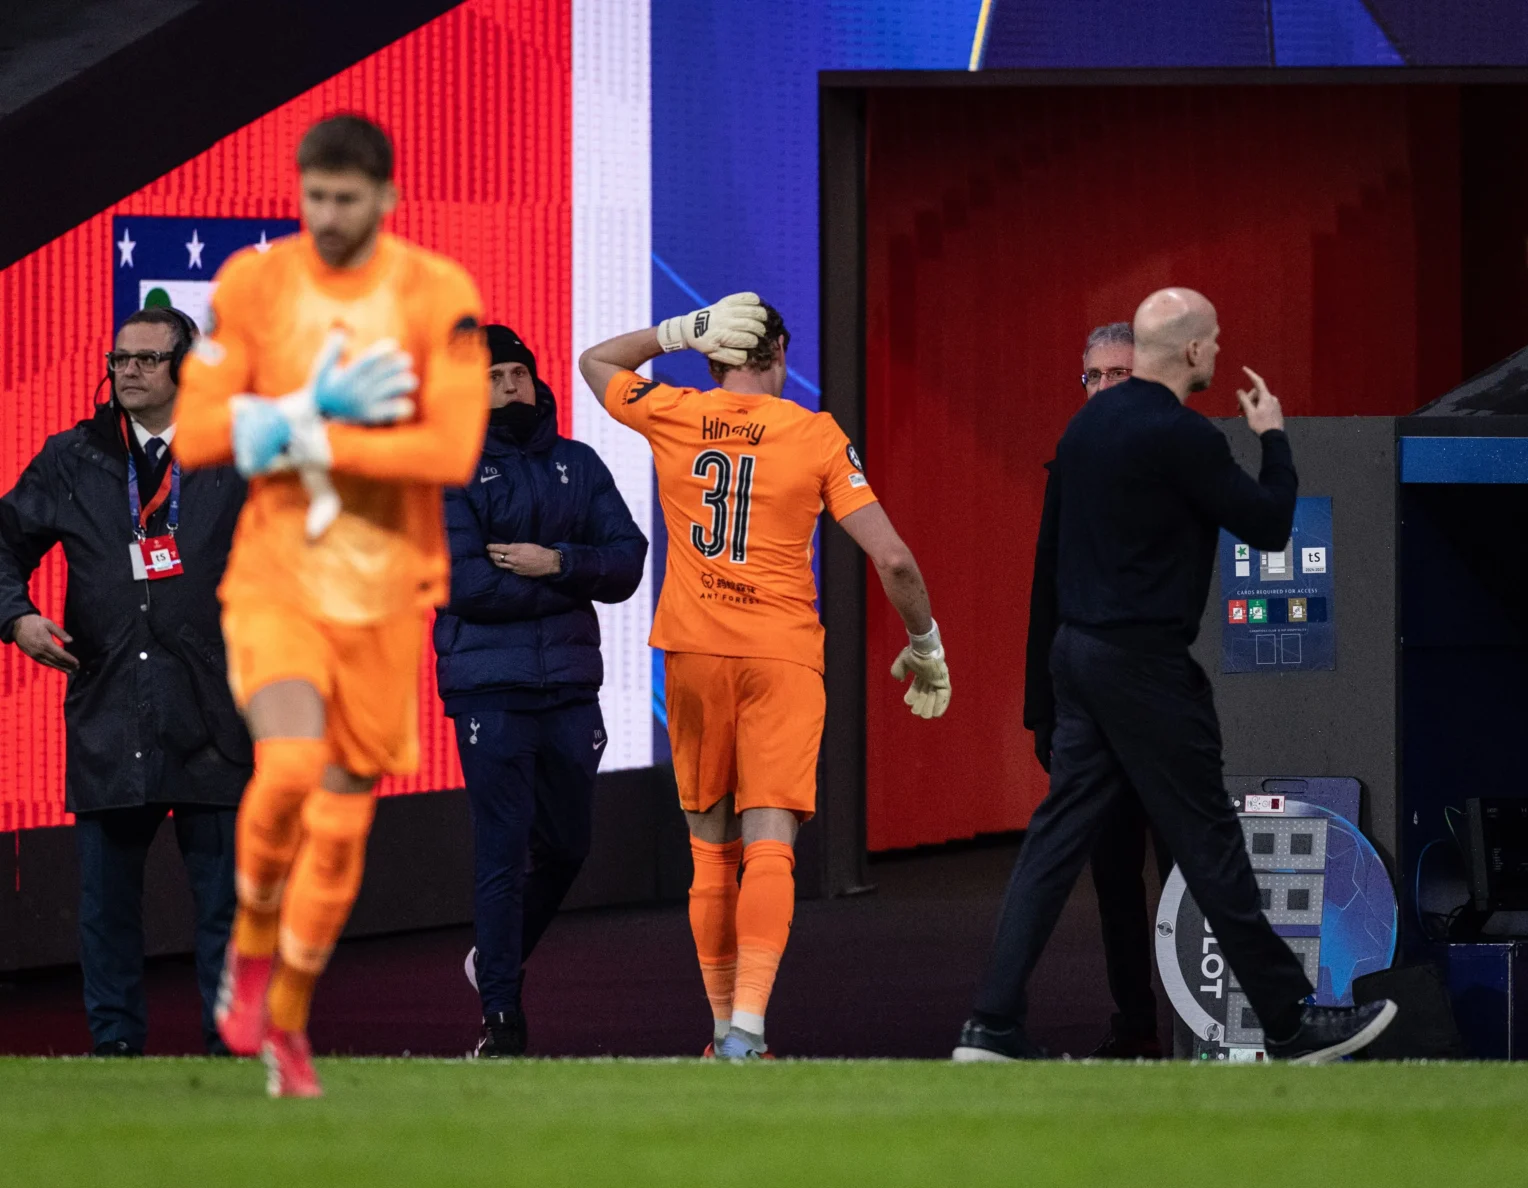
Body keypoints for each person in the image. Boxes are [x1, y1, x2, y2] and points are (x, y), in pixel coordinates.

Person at [954, 287, 1396, 1064]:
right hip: (1146, 667)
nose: (1220, 352)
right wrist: (1274, 439)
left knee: (1054, 846)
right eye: (1215, 340)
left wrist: (1041, 701)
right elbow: (1266, 524)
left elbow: (1049, 571)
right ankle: (1291, 1021)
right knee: (1210, 842)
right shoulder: (1183, 438)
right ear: (1191, 351)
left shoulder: (1084, 429)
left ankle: (990, 1024)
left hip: (1079, 660)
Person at [173, 113, 489, 1096]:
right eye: (315, 197)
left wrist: (311, 438)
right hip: (277, 577)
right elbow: (191, 431)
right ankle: (251, 947)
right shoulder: (255, 285)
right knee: (290, 763)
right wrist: (312, 408)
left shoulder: (436, 293)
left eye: (348, 200)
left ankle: (291, 1028)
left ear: (387, 199)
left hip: (389, 592)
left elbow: (450, 452)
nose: (329, 216)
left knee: (345, 826)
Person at [579, 293, 951, 1059]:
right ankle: (750, 1028)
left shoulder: (675, 411)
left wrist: (674, 333)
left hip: (693, 650)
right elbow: (895, 560)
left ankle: (720, 1033)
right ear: (780, 354)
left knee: (710, 851)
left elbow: (595, 363)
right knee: (771, 843)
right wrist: (927, 645)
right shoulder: (814, 434)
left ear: (712, 357)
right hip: (781, 655)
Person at [0, 306, 250, 1056]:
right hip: (109, 707)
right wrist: (16, 619)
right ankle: (114, 1048)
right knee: (106, 907)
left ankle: (231, 1044)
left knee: (227, 908)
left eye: (146, 359)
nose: (128, 371)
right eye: (119, 359)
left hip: (214, 711)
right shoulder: (73, 456)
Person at [435, 325, 647, 1057]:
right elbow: (463, 586)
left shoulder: (577, 464)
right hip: (489, 691)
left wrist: (550, 560)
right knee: (500, 851)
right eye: (491, 377)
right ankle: (501, 1019)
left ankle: (490, 961)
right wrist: (567, 581)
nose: (509, 386)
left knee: (568, 845)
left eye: (517, 373)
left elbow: (626, 566)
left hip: (569, 690)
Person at [1025, 321, 1170, 1059]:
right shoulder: (1068, 471)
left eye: (1119, 375)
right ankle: (1136, 1024)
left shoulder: (1183, 464)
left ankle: (1207, 1023)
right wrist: (1040, 713)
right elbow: (1044, 596)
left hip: (1168, 712)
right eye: (1094, 377)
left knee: (1191, 875)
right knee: (1114, 879)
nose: (1105, 389)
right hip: (1092, 718)